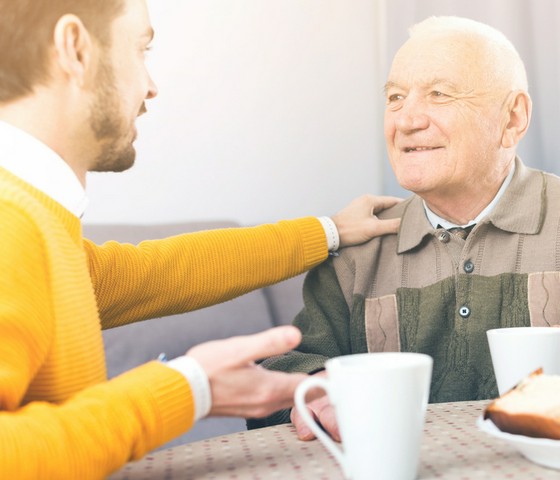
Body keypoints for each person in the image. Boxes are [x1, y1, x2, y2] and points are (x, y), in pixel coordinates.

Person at [249, 15, 560, 441]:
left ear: (512, 118)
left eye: (439, 94)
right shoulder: (354, 255)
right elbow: (274, 379)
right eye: (395, 97)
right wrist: (311, 391)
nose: (407, 120)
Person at [0, 0, 401, 478]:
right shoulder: (11, 222)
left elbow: (158, 272)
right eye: (141, 49)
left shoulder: (36, 220)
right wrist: (188, 389)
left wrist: (330, 230)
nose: (151, 86)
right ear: (74, 49)